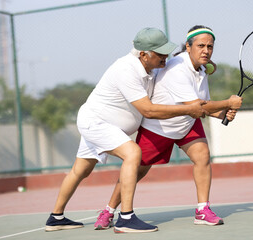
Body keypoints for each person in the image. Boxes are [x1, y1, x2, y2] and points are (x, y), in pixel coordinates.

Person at [45, 27, 208, 233]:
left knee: (81, 170)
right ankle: (126, 218)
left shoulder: (152, 66)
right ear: (143, 54)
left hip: (102, 124)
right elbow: (148, 110)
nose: (164, 56)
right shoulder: (125, 70)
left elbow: (180, 64)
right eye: (160, 53)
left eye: (166, 51)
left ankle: (55, 217)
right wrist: (188, 109)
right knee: (133, 152)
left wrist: (205, 66)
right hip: (97, 123)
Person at [94, 25, 243, 230]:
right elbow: (196, 106)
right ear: (188, 47)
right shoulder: (176, 68)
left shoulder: (201, 69)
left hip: (187, 122)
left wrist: (222, 114)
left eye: (210, 46)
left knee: (202, 156)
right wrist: (228, 103)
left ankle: (202, 209)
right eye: (200, 45)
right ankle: (109, 210)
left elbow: (203, 107)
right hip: (159, 127)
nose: (206, 50)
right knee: (137, 171)